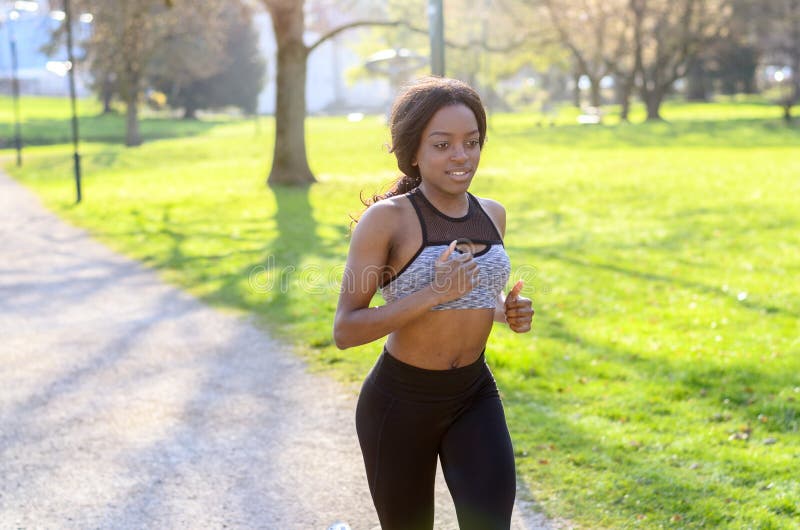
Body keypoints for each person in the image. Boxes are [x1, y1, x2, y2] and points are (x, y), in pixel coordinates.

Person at [333, 76, 534, 530]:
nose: (461, 157)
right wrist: (433, 294)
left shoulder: (492, 213)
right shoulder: (387, 220)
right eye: (442, 145)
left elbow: (477, 293)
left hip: (473, 395)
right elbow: (346, 329)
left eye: (472, 142)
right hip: (399, 405)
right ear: (414, 152)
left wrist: (507, 311)